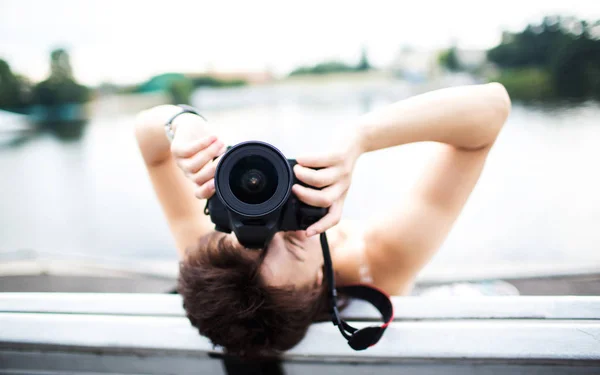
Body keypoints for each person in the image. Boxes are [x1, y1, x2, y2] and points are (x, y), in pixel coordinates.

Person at [134, 83, 511, 356]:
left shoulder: (208, 254)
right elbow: (492, 109)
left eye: (246, 233)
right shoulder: (381, 261)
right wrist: (362, 136)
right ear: (320, 282)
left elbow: (149, 146)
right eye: (295, 239)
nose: (275, 219)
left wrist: (182, 124)